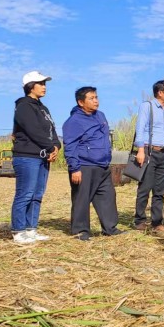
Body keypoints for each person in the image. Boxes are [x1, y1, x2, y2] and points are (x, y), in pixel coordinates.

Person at [62, 87, 125, 241]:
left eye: (96, 97)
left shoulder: (100, 116)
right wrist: (74, 168)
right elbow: (70, 146)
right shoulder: (74, 121)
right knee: (81, 198)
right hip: (84, 166)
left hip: (102, 165)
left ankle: (109, 228)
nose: (96, 100)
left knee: (107, 196)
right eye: (91, 98)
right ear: (81, 102)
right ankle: (80, 230)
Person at [11, 70, 61, 244]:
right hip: (27, 157)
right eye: (40, 83)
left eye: (45, 83)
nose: (44, 87)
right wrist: (49, 146)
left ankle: (31, 229)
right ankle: (18, 231)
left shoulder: (43, 108)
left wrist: (56, 146)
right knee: (25, 194)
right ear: (30, 86)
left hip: (43, 157)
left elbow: (51, 130)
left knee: (37, 194)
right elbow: (33, 130)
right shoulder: (24, 106)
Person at [133, 80, 164, 234]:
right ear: (160, 93)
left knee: (160, 190)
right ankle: (140, 221)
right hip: (150, 152)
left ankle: (157, 223)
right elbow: (140, 128)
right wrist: (141, 150)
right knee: (145, 187)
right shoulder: (147, 106)